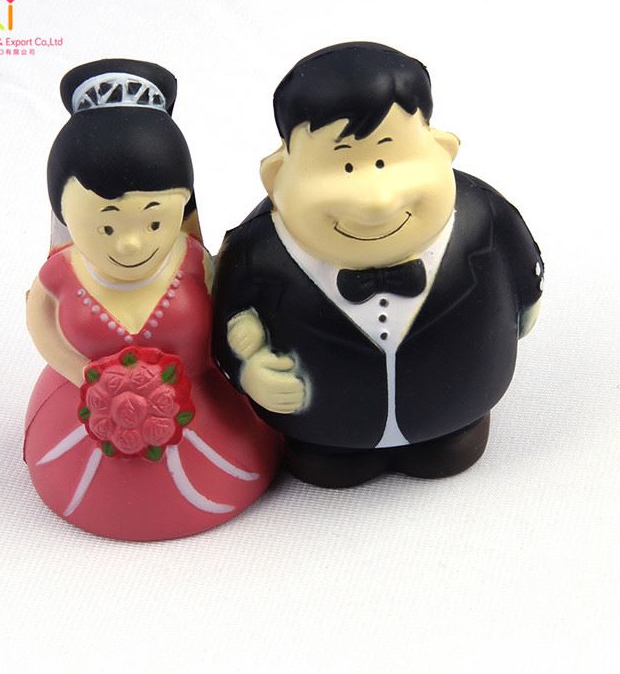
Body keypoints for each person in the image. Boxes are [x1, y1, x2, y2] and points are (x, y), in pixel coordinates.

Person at [212, 42, 543, 488]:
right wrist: (248, 371)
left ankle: (447, 437)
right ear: (276, 176)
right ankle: (332, 452)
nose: (377, 201)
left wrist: (527, 302)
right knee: (328, 465)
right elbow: (223, 330)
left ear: (443, 149)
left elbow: (525, 270)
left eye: (388, 160)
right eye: (345, 167)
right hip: (325, 431)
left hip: (456, 408)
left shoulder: (485, 220)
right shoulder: (256, 254)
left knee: (449, 450)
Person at [24, 59, 281, 540]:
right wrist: (86, 377)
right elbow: (40, 325)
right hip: (83, 420)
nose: (130, 244)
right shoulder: (60, 276)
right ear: (63, 211)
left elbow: (233, 311)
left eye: (154, 220)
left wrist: (246, 342)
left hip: (209, 417)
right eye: (106, 225)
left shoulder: (195, 263)